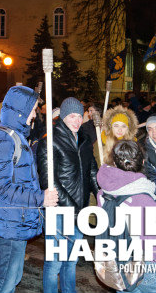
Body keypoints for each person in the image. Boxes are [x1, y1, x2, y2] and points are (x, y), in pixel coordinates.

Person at [0, 86, 58, 293]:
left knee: (13, 277)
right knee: (4, 282)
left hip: (17, 220)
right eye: (33, 109)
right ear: (20, 110)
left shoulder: (16, 136)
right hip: (9, 221)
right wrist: (40, 198)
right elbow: (0, 187)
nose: (35, 114)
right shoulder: (4, 138)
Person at [97, 140, 156, 293]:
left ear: (115, 163)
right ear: (143, 162)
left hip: (119, 264)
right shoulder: (142, 199)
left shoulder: (103, 193)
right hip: (147, 269)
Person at [37, 97, 98, 293]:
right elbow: (49, 181)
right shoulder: (50, 141)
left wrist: (102, 194)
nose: (77, 120)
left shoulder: (85, 141)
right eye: (72, 116)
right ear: (63, 116)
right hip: (58, 212)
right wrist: (73, 209)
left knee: (70, 263)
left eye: (80, 116)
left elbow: (92, 172)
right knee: (55, 263)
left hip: (79, 210)